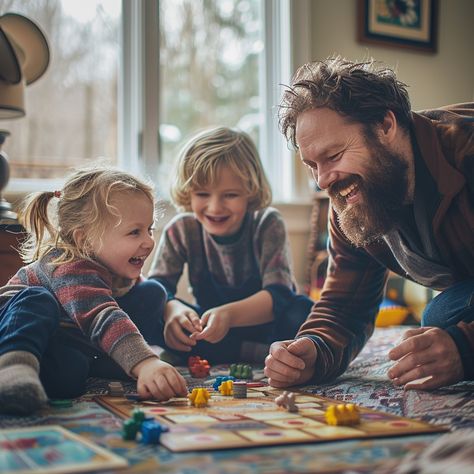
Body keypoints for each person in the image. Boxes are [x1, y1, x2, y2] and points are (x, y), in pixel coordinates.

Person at [264, 56, 474, 391]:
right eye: (312, 165)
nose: (322, 181)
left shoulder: (465, 150)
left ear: (385, 126)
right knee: (446, 316)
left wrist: (465, 349)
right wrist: (312, 350)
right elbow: (346, 304)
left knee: (443, 322)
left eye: (333, 156)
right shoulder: (351, 200)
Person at [0, 166, 187, 415]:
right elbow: (102, 315)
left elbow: (138, 298)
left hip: (60, 341)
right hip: (14, 332)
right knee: (37, 299)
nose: (149, 241)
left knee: (152, 292)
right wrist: (145, 362)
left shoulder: (113, 266)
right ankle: (13, 370)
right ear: (84, 240)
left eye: (149, 229)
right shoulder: (67, 265)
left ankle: (104, 363)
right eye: (135, 232)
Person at [149, 127, 313, 364]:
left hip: (267, 327)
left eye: (230, 195)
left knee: (304, 312)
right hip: (210, 329)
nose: (215, 207)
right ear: (188, 193)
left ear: (250, 192)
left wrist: (228, 315)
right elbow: (158, 288)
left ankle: (218, 352)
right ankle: (255, 353)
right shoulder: (182, 229)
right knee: (147, 306)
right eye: (203, 194)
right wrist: (173, 309)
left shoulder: (267, 223)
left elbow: (279, 295)